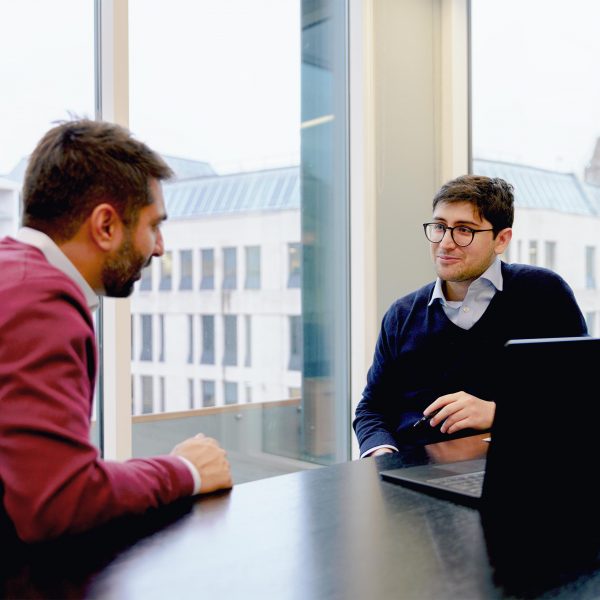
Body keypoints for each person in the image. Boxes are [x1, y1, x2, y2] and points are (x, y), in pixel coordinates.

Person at [0, 119, 232, 543]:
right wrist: (186, 469)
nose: (159, 246)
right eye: (153, 226)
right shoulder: (40, 305)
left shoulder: (13, 277)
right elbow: (58, 501)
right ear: (106, 226)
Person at [353, 174, 587, 458]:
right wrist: (383, 457)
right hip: (410, 475)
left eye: (464, 230)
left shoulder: (543, 294)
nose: (446, 243)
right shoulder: (401, 315)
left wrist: (496, 412)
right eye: (440, 227)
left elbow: (581, 397)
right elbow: (372, 408)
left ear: (501, 239)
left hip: (514, 471)